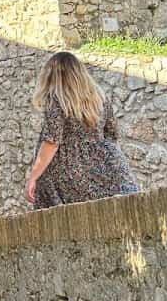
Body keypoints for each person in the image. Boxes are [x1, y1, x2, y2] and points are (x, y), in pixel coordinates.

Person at [25, 52, 138, 208]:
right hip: (108, 168)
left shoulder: (57, 100)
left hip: (66, 173)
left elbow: (52, 141)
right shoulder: (100, 98)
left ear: (52, 77)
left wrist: (33, 177)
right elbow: (111, 134)